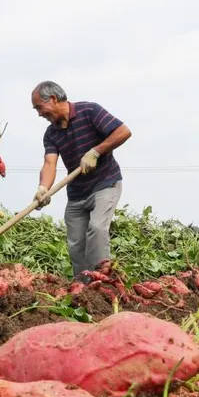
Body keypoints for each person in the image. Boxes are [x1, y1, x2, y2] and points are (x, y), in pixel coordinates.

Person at [30, 81, 131, 280]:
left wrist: (96, 151)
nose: (39, 114)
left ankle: (103, 284)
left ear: (52, 99)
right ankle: (84, 289)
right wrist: (43, 188)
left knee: (97, 229)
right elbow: (50, 163)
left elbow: (123, 131)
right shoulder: (51, 134)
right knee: (76, 244)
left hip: (105, 184)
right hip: (77, 194)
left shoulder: (89, 111)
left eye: (39, 108)